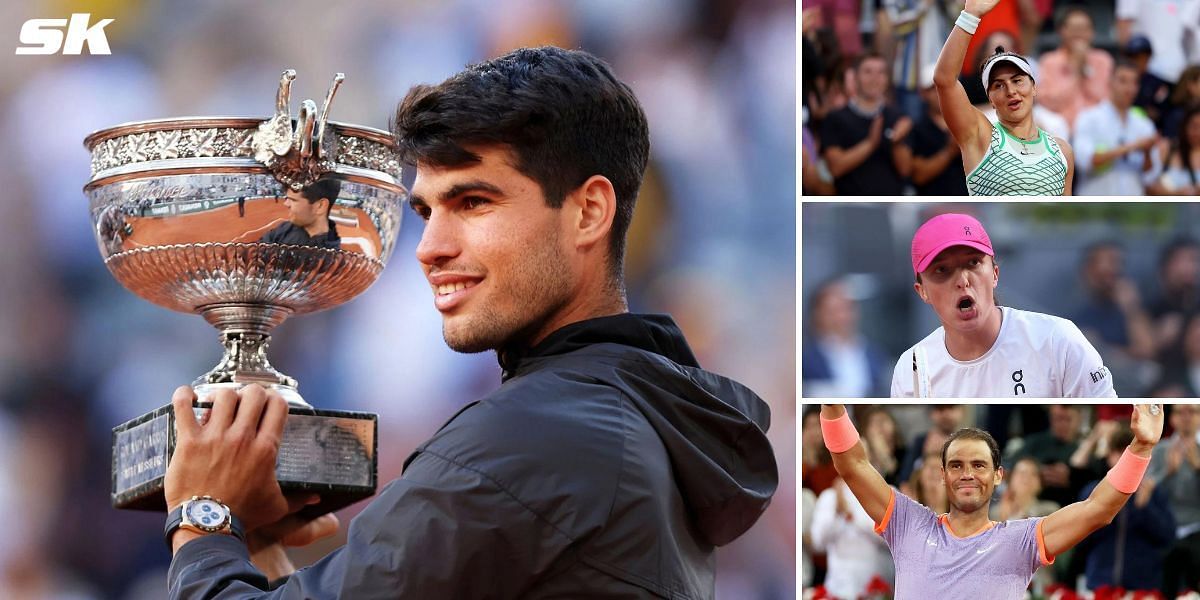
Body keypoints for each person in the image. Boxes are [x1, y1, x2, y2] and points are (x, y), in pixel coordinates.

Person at [159, 46, 778, 598]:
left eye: (474, 202)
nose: (430, 247)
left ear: (589, 212)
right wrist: (260, 551)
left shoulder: (539, 434)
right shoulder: (627, 417)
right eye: (427, 210)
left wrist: (201, 517)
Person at [817, 402, 1163, 598]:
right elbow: (853, 464)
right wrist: (832, 406)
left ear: (999, 475)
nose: (967, 473)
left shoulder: (1021, 539)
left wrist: (1141, 448)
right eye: (956, 465)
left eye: (979, 465)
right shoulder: (908, 524)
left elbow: (1097, 510)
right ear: (942, 475)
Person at [891, 213, 1115, 397]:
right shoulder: (911, 367)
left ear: (995, 274)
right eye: (942, 270)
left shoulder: (1058, 339)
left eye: (973, 262)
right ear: (923, 292)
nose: (962, 281)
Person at [933, 0, 1074, 195]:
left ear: (1034, 88)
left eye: (1017, 80)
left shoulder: (1062, 151)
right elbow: (944, 80)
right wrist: (970, 15)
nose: (1010, 90)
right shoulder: (979, 135)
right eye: (998, 85)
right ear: (990, 99)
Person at [1076, 423, 1176, 593]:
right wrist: (1104, 509)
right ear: (1110, 456)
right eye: (1119, 452)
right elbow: (1079, 539)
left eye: (1130, 453)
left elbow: (1167, 537)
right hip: (1100, 585)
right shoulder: (1093, 491)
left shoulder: (1153, 492)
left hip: (1143, 587)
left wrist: (1144, 508)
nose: (1125, 459)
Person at [820, 53, 914, 195]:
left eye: (881, 72)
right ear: (855, 77)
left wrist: (896, 140)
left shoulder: (898, 117)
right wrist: (871, 143)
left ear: (887, 79)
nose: (875, 79)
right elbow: (836, 168)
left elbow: (905, 170)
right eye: (868, 72)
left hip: (890, 204)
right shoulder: (835, 118)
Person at [1072, 61, 1162, 196]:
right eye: (1123, 81)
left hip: (1132, 205)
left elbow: (1150, 174)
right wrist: (1131, 146)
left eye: (1134, 83)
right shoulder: (1089, 117)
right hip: (1095, 205)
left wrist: (1147, 153)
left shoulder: (1144, 124)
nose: (1129, 88)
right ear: (1110, 82)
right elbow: (1084, 161)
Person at [809, 477, 896, 599]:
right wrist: (838, 514)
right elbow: (818, 542)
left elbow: (893, 538)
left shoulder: (888, 493)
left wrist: (851, 515)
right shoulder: (829, 496)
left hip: (878, 588)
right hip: (838, 588)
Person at [802, 277, 889, 397]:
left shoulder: (874, 354)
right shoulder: (805, 358)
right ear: (818, 314)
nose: (843, 317)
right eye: (834, 311)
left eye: (848, 308)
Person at [1035, 7, 1113, 134]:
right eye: (1074, 29)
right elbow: (1048, 101)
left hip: (1097, 129)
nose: (1078, 34)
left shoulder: (1103, 60)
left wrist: (1084, 66)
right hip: (1060, 128)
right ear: (1061, 31)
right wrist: (1075, 73)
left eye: (1083, 29)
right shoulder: (1049, 61)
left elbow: (1104, 98)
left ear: (1092, 32)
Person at [1152, 404, 1200, 598]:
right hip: (1166, 528)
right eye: (1181, 412)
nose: (1186, 417)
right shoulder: (1160, 449)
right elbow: (1145, 494)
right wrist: (1167, 473)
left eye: (1193, 412)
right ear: (1172, 418)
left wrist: (1198, 468)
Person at [910, 62, 969, 195]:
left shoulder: (970, 124)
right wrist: (950, 151)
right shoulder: (917, 129)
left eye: (946, 87)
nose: (940, 92)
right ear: (923, 93)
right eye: (934, 88)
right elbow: (918, 176)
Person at [259, 177, 343, 249]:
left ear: (320, 206)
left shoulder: (329, 258)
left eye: (293, 200)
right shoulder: (287, 227)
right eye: (287, 198)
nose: (286, 204)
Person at [991, 456, 1059, 521]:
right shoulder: (995, 513)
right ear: (1010, 479)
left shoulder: (1050, 510)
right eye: (1021, 473)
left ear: (1040, 483)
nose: (1026, 478)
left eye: (1033, 474)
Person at [1150, 107, 1200, 196]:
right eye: (1194, 126)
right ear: (1185, 126)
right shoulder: (1167, 149)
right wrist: (1175, 194)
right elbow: (1148, 186)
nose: (1198, 132)